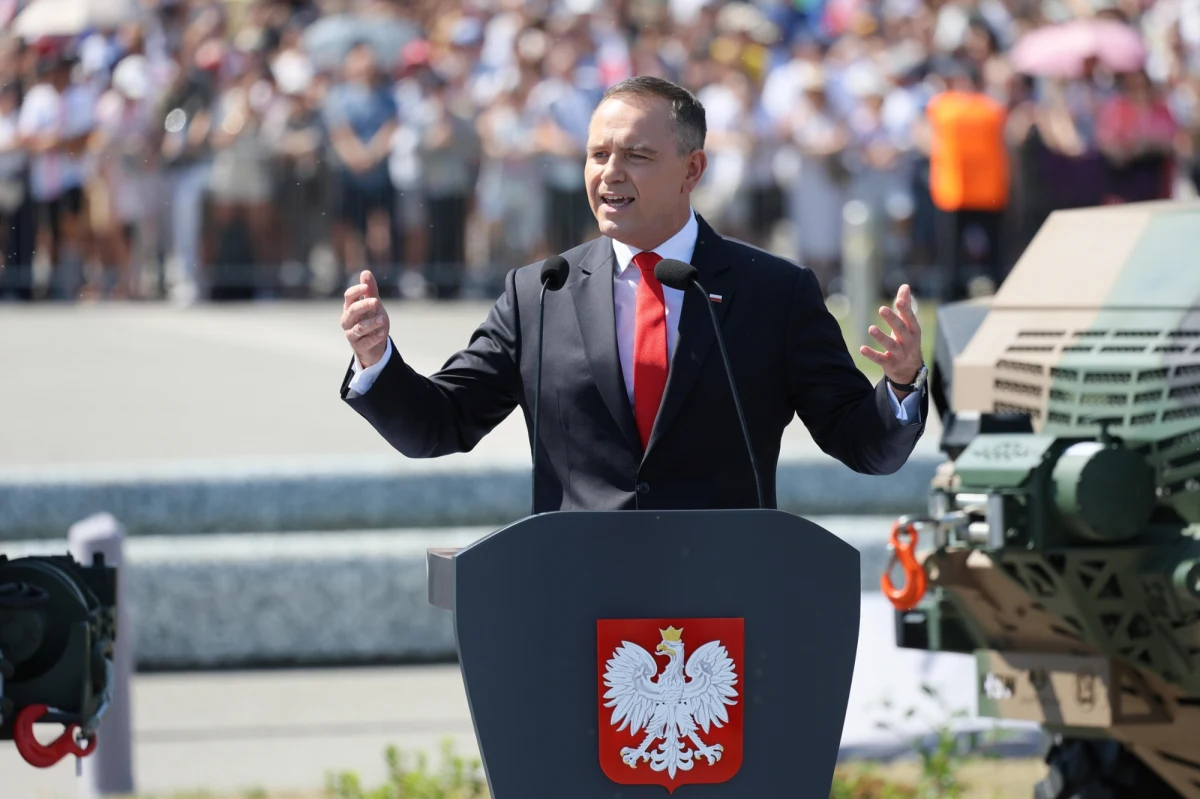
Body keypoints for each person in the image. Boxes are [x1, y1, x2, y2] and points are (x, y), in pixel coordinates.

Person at [338, 76, 928, 513]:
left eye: (636, 156)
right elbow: (439, 426)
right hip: (582, 599)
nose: (609, 173)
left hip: (725, 600)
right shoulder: (540, 293)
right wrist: (377, 361)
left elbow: (864, 446)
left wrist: (898, 388)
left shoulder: (774, 292)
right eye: (598, 155)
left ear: (691, 170)